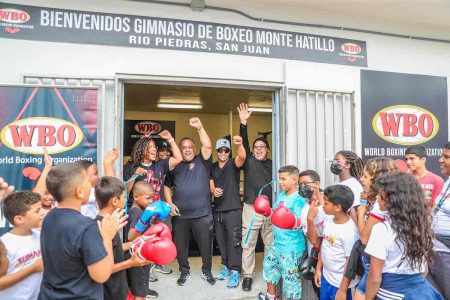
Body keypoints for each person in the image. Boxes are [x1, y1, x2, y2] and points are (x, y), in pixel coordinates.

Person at [38, 162, 126, 299]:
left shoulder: (49, 217)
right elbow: (101, 275)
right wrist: (107, 238)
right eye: (87, 180)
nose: (92, 184)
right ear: (79, 191)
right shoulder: (88, 228)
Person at [365, 171, 443, 299]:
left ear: (391, 198)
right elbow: (424, 270)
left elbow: (374, 277)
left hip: (392, 293)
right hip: (421, 291)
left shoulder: (381, 229)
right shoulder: (421, 225)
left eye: (380, 194)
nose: (377, 198)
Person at [164, 117, 215, 286]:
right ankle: (184, 271)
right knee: (181, 246)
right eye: (183, 147)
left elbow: (207, 146)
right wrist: (170, 203)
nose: (187, 150)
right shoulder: (174, 165)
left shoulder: (203, 161)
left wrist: (200, 127)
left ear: (194, 149)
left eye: (189, 147)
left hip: (203, 214)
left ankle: (207, 272)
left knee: (206, 245)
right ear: (180, 149)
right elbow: (166, 186)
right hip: (181, 215)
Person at [341, 157, 397, 300]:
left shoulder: (381, 204)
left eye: (365, 176)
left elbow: (364, 238)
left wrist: (361, 211)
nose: (361, 179)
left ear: (377, 179)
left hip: (376, 264)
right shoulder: (385, 199)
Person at [95, 176, 152, 300]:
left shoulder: (109, 222)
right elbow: (102, 268)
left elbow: (111, 249)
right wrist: (130, 262)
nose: (126, 200)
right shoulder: (101, 227)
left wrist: (134, 243)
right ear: (115, 201)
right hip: (110, 293)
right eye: (124, 197)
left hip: (118, 289)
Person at [237, 103, 273, 292]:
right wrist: (243, 123)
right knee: (248, 244)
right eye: (256, 147)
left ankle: (269, 274)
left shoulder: (274, 165)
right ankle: (248, 275)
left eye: (262, 146)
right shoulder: (249, 161)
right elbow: (243, 142)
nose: (259, 149)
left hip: (270, 211)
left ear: (267, 149)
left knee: (270, 244)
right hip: (251, 209)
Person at [256, 165, 306, 300]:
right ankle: (271, 296)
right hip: (277, 244)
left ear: (295, 180)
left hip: (291, 248)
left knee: (291, 281)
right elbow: (277, 216)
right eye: (279, 179)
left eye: (284, 179)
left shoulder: (299, 199)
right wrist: (267, 211)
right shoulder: (282, 195)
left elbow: (301, 223)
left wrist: (291, 221)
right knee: (269, 268)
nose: (280, 182)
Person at [309, 185, 359, 300]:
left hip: (341, 284)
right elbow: (324, 246)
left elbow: (349, 263)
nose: (323, 206)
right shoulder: (329, 220)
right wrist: (318, 268)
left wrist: (342, 290)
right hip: (326, 277)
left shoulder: (349, 232)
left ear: (337, 207)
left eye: (326, 203)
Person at [210, 136, 246, 288]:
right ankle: (226, 266)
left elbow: (242, 156)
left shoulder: (232, 163)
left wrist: (240, 144)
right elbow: (210, 181)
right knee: (221, 241)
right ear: (216, 151)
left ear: (229, 151)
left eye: (226, 150)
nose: (223, 153)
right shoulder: (212, 166)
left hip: (233, 209)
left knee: (234, 241)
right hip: (217, 209)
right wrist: (212, 189)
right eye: (220, 150)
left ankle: (235, 271)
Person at [0, 191, 43, 300]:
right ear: (19, 219)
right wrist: (33, 268)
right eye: (37, 211)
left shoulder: (40, 236)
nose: (42, 213)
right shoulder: (5, 245)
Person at [124, 130, 182, 206]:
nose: (154, 149)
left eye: (155, 146)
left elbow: (178, 158)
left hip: (156, 212)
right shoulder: (131, 167)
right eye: (150, 147)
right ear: (142, 149)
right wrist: (134, 175)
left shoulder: (160, 164)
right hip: (138, 213)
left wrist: (170, 139)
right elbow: (126, 191)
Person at [124, 180, 159, 299]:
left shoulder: (141, 211)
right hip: (137, 257)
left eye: (152, 198)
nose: (151, 201)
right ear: (136, 197)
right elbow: (131, 237)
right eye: (148, 198)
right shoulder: (137, 213)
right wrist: (144, 220)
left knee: (138, 290)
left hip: (140, 256)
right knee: (140, 293)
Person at [427, 142, 450, 299]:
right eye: (442, 155)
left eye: (446, 157)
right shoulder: (448, 181)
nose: (440, 160)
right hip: (436, 248)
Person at [298, 170, 326, 296]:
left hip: (335, 258)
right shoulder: (305, 211)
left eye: (305, 183)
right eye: (300, 184)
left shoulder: (331, 201)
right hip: (317, 258)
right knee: (320, 291)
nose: (302, 187)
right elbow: (314, 241)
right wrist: (310, 218)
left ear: (317, 184)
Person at [330, 150, 364, 222]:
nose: (334, 163)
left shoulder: (354, 185)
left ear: (348, 165)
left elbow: (355, 211)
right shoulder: (335, 183)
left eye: (337, 161)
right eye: (333, 161)